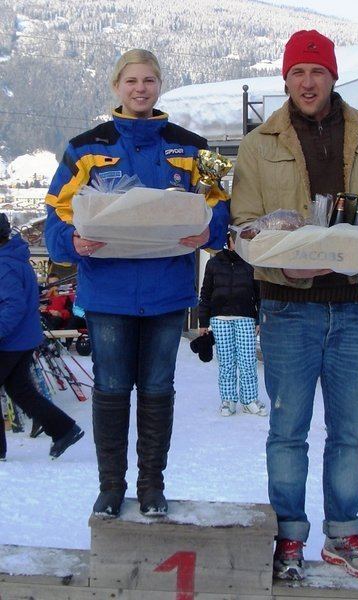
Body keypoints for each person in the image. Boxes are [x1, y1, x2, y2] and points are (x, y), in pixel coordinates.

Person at [231, 30, 358, 581]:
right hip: (289, 307)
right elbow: (245, 226)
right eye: (297, 73)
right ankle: (289, 538)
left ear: (333, 77)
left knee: (350, 431)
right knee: (287, 430)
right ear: (285, 79)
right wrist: (278, 265)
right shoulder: (258, 144)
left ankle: (343, 535)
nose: (307, 82)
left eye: (317, 72)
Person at [44, 49, 229, 518]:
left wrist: (212, 231)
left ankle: (151, 487)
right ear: (116, 87)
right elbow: (55, 219)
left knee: (156, 389)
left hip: (168, 293)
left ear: (159, 85)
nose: (140, 88)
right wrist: (73, 242)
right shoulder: (85, 148)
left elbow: (221, 205)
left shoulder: (191, 147)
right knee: (109, 389)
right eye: (131, 81)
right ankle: (111, 488)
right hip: (107, 294)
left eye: (149, 80)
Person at [0, 213, 84, 462]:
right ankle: (64, 429)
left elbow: (12, 306)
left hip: (10, 341)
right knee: (21, 390)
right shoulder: (14, 258)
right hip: (24, 338)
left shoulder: (4, 265)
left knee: (21, 390)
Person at [197, 231, 265, 417]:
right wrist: (203, 321)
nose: (241, 244)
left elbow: (259, 294)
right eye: (238, 240)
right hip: (219, 319)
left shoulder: (251, 264)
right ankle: (228, 400)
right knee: (226, 361)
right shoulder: (214, 263)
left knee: (248, 361)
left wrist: (259, 318)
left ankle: (249, 400)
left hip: (246, 317)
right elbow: (205, 293)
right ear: (229, 240)